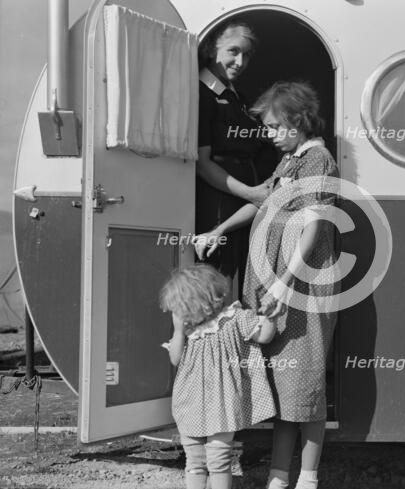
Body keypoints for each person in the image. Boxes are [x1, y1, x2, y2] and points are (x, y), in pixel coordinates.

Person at [195, 81, 339, 489]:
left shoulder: (318, 159)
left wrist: (286, 283)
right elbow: (262, 200)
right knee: (284, 383)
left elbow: (314, 226)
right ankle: (278, 476)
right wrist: (219, 229)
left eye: (276, 125)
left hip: (302, 285)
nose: (269, 133)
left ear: (298, 121)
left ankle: (307, 478)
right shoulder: (290, 160)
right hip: (277, 284)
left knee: (305, 381)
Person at [160, 264, 277, 489]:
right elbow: (175, 359)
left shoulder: (234, 318)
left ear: (201, 302)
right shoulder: (188, 331)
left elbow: (264, 336)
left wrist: (271, 318)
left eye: (180, 308)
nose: (177, 314)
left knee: (218, 459)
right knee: (194, 461)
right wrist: (177, 330)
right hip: (189, 404)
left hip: (222, 404)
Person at [196, 21, 273, 295]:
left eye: (246, 55)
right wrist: (251, 193)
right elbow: (203, 163)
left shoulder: (236, 96)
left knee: (240, 277)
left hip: (244, 200)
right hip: (220, 199)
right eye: (233, 51)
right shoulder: (203, 93)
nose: (240, 62)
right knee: (219, 278)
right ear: (211, 48)